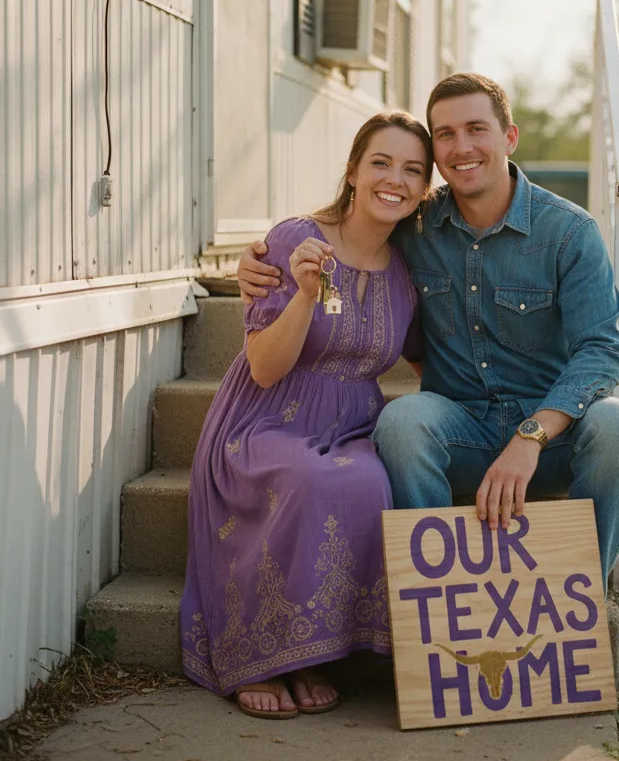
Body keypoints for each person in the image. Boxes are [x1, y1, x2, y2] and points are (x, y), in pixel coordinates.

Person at [236, 73, 619, 595]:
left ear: (510, 137)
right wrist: (258, 257)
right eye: (445, 135)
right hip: (461, 434)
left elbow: (605, 348)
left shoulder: (568, 231)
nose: (462, 147)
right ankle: (435, 599)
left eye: (477, 129)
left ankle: (580, 600)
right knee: (404, 418)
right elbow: (348, 227)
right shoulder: (416, 225)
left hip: (551, 439)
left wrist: (532, 435)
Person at [180, 111, 431, 719]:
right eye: (380, 162)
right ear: (352, 170)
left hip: (352, 422)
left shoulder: (410, 263)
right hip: (267, 416)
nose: (393, 178)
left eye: (412, 170)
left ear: (425, 189)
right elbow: (264, 366)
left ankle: (316, 652)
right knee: (307, 479)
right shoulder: (295, 240)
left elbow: (430, 360)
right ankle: (264, 658)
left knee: (369, 480)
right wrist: (306, 296)